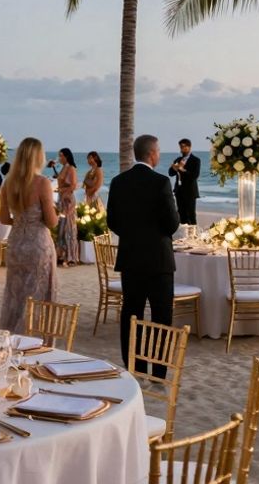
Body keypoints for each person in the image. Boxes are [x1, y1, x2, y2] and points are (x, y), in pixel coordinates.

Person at [108, 134, 180, 375]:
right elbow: (172, 225)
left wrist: (132, 235)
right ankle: (158, 371)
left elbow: (112, 222)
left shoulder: (119, 182)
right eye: (158, 151)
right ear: (152, 154)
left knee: (131, 314)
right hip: (159, 261)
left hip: (131, 259)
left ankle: (134, 367)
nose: (159, 154)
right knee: (161, 317)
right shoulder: (161, 183)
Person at [0, 137, 58, 333]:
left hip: (16, 243)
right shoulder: (42, 183)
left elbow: (4, 218)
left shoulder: (8, 183)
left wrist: (22, 221)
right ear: (38, 157)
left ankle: (10, 334)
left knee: (15, 294)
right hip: (37, 244)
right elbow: (51, 221)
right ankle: (33, 338)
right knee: (37, 294)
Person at [51, 148, 79, 267]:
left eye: (61, 156)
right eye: (59, 156)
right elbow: (62, 180)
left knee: (68, 227)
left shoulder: (71, 168)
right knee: (61, 227)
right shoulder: (64, 168)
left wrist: (60, 190)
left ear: (67, 156)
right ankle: (61, 254)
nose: (60, 158)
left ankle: (71, 256)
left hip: (67, 200)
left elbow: (73, 186)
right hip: (61, 199)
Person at [169, 139, 200, 226]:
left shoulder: (196, 160)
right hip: (179, 191)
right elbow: (170, 173)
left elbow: (195, 176)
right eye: (181, 147)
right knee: (181, 214)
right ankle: (184, 236)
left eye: (184, 147)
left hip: (190, 191)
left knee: (191, 214)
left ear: (189, 147)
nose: (182, 149)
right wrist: (174, 169)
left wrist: (182, 170)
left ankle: (193, 236)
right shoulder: (178, 159)